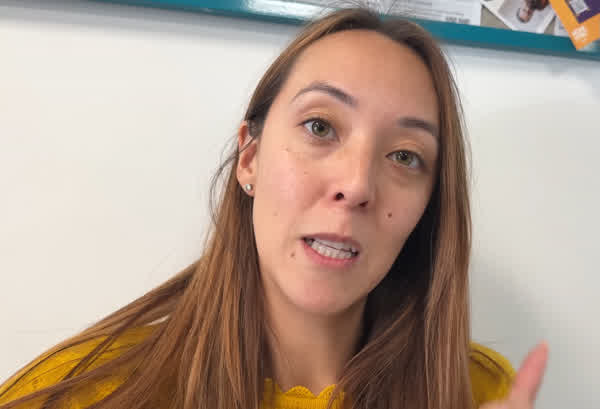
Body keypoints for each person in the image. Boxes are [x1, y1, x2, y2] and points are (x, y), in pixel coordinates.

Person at [0, 7, 548, 409]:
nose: (356, 185)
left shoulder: (479, 391)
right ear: (250, 159)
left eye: (405, 156)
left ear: (428, 207)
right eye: (320, 127)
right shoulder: (81, 393)